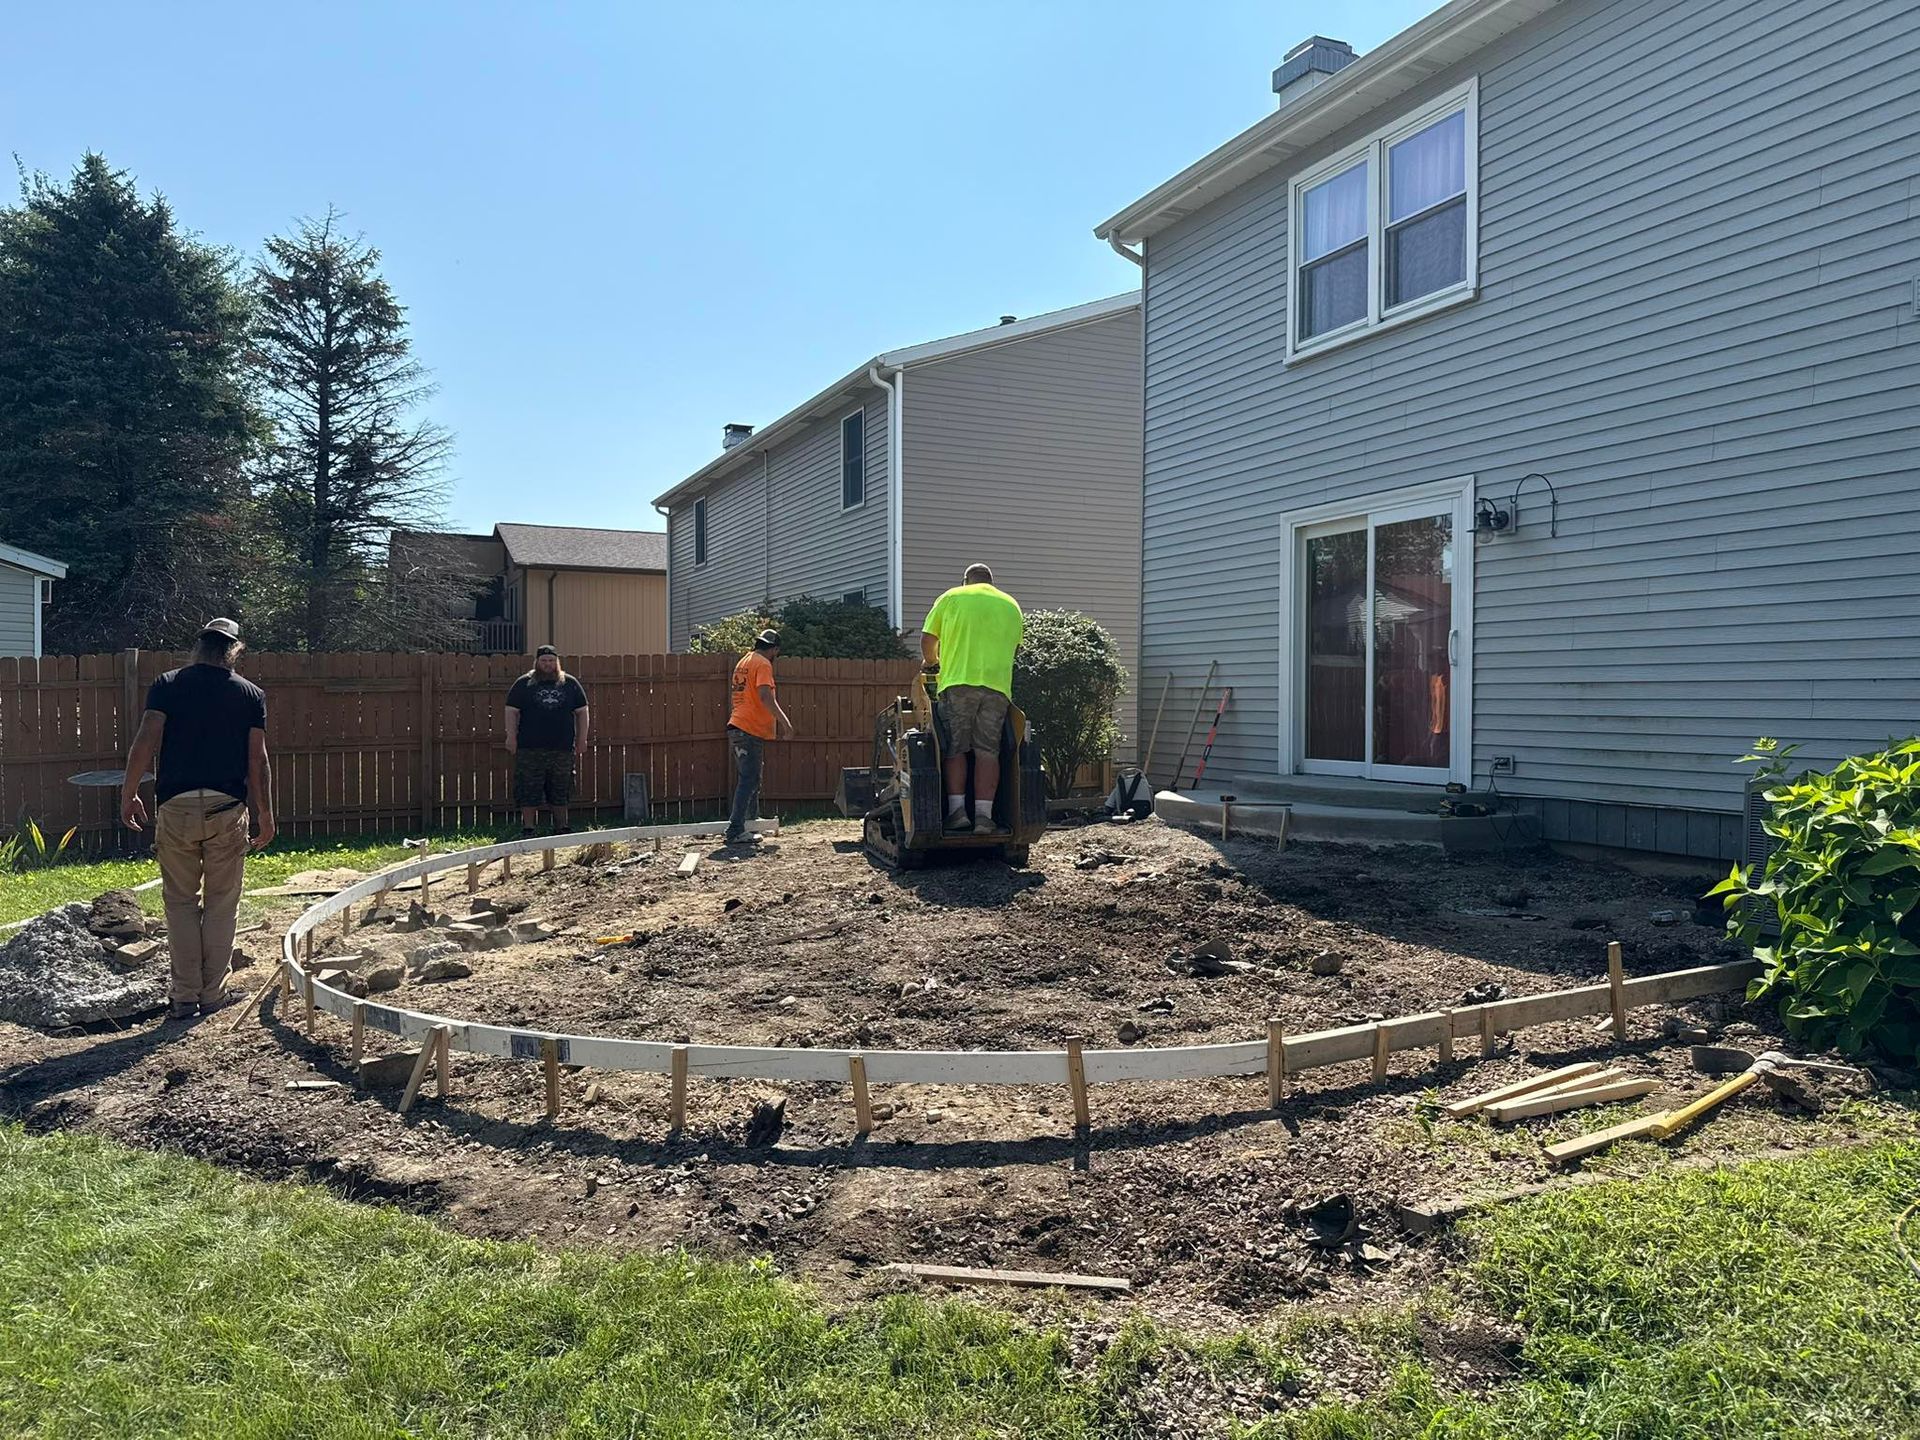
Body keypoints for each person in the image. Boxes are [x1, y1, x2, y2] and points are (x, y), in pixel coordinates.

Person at [119, 618, 274, 1020]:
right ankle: (213, 995)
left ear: (198, 647)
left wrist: (129, 791)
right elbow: (257, 761)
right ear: (234, 651)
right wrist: (265, 814)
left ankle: (184, 997)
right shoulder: (250, 694)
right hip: (227, 809)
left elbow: (145, 740)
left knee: (180, 904)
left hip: (177, 807)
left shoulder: (168, 684)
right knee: (222, 905)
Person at [921, 564, 1024, 834]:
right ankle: (984, 818)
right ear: (991, 582)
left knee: (955, 748)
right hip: (997, 688)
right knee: (988, 752)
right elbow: (1014, 646)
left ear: (966, 581)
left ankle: (957, 813)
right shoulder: (1011, 605)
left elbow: (928, 639)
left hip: (957, 684)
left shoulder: (951, 597)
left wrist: (931, 662)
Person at [505, 645, 589, 837]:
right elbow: (511, 710)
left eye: (551, 661)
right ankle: (528, 827)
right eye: (544, 661)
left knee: (562, 786)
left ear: (557, 662)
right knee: (528, 787)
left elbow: (582, 712)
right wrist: (511, 736)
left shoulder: (570, 683)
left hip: (562, 747)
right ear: (537, 662)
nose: (548, 664)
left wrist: (582, 738)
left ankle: (561, 826)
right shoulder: (523, 683)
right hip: (529, 747)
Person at [724, 628, 794, 845]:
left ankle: (750, 823)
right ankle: (736, 829)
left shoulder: (744, 661)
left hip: (738, 726)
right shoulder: (763, 663)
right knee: (748, 780)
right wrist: (786, 723)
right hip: (748, 729)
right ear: (774, 649)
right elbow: (765, 696)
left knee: (752, 777)